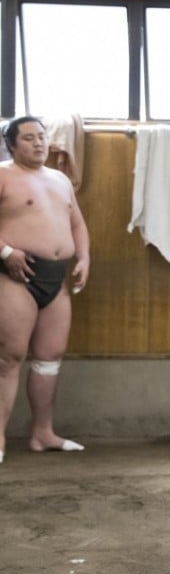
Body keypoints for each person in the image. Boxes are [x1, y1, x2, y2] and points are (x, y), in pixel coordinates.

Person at [0, 116, 90, 465]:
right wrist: (6, 252)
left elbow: (77, 223)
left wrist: (84, 257)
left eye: (41, 137)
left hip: (57, 276)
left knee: (50, 357)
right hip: (16, 275)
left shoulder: (60, 179)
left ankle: (43, 433)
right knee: (9, 358)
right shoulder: (3, 175)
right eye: (28, 138)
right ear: (11, 144)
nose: (38, 144)